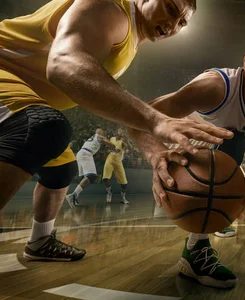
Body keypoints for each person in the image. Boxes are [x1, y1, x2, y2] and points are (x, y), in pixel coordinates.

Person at [0, 0, 232, 262]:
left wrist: (154, 150)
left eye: (182, 22)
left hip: (25, 93)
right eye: (169, 8)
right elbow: (63, 64)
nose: (173, 24)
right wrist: (156, 120)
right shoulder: (111, 8)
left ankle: (40, 240)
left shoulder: (131, 31)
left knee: (62, 168)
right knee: (43, 128)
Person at [128, 28, 245, 288]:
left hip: (211, 158)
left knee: (230, 144)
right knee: (231, 138)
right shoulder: (216, 86)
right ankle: (198, 249)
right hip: (177, 152)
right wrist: (156, 155)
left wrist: (241, 196)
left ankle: (198, 243)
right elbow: (139, 119)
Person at [65, 128, 116, 207]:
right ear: (99, 132)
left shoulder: (93, 138)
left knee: (86, 177)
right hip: (86, 154)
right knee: (92, 176)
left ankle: (75, 197)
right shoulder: (99, 136)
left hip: (81, 153)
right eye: (103, 132)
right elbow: (108, 143)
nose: (104, 133)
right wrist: (115, 148)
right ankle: (73, 195)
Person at [102, 128, 130, 204]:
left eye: (122, 131)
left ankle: (123, 198)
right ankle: (109, 192)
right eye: (119, 130)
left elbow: (127, 146)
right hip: (110, 159)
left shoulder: (123, 142)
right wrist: (109, 150)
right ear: (116, 132)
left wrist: (126, 140)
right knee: (105, 178)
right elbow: (107, 148)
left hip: (118, 162)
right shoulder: (112, 139)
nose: (121, 132)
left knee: (124, 184)